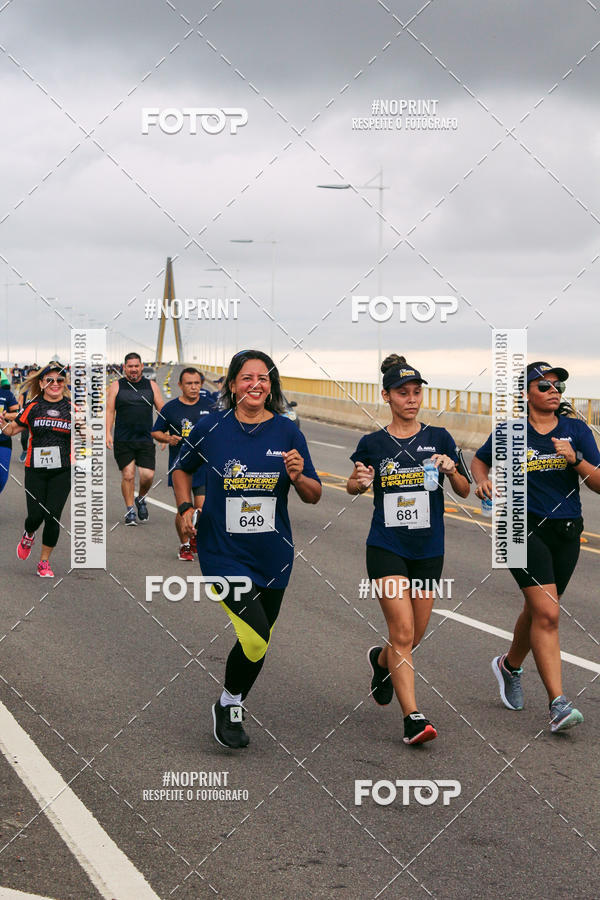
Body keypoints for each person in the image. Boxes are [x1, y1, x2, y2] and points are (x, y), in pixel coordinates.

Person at [172, 350, 322, 749]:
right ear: (233, 384)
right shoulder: (211, 426)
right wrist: (185, 507)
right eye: (247, 377)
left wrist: (297, 475)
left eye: (264, 378)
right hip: (222, 552)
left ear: (272, 387)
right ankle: (232, 705)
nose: (256, 385)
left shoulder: (288, 432)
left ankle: (229, 702)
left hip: (273, 555)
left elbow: (313, 494)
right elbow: (182, 470)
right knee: (255, 637)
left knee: (258, 640)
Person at [347, 354, 470, 745]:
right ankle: (413, 717)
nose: (412, 399)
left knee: (413, 636)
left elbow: (466, 489)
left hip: (429, 547)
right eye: (403, 393)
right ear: (386, 396)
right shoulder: (373, 443)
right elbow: (353, 484)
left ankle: (380, 663)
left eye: (417, 392)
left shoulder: (440, 438)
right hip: (386, 545)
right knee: (400, 631)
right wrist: (360, 482)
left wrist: (451, 471)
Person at [472, 361, 600, 733]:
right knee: (548, 613)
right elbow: (480, 461)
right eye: (543, 385)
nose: (554, 390)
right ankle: (558, 705)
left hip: (566, 530)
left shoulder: (576, 430)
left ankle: (508, 665)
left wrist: (575, 460)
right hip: (518, 527)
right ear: (526, 394)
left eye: (558, 384)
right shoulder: (511, 432)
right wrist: (482, 482)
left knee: (539, 608)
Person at [0, 363, 72, 577]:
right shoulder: (33, 406)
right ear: (41, 384)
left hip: (62, 470)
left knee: (52, 516)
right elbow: (13, 429)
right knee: (35, 515)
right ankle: (29, 533)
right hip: (35, 470)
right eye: (49, 380)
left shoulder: (72, 408)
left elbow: (83, 434)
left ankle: (44, 562)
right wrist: (2, 423)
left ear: (64, 383)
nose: (55, 384)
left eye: (59, 380)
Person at [151, 368, 217, 560]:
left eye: (197, 383)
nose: (194, 387)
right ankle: (185, 545)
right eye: (189, 383)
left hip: (204, 466)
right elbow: (155, 432)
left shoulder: (211, 407)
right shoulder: (171, 408)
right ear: (180, 385)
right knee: (184, 508)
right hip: (180, 467)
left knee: (202, 509)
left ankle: (196, 534)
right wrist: (168, 438)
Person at [106, 352, 164, 525]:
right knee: (129, 475)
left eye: (136, 366)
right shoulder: (117, 386)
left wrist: (164, 434)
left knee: (147, 476)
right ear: (125, 368)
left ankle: (141, 498)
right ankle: (130, 510)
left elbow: (162, 410)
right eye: (129, 366)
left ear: (141, 366)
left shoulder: (151, 386)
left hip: (145, 438)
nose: (133, 369)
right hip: (123, 439)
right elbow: (110, 410)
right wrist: (108, 432)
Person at [0, 372, 19, 494]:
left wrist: (5, 415)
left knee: (2, 477)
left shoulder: (7, 394)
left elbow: (18, 414)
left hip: (3, 441)